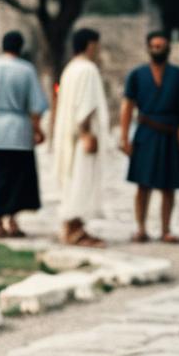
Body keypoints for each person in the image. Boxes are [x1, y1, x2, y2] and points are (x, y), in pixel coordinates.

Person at [119, 31, 179, 244]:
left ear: (168, 48)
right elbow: (128, 106)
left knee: (168, 185)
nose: (157, 49)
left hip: (170, 133)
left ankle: (166, 229)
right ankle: (141, 228)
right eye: (154, 46)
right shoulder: (137, 75)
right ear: (148, 48)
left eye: (161, 46)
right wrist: (124, 136)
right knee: (143, 184)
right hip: (146, 132)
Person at [0, 30, 48, 237]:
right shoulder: (27, 70)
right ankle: (13, 221)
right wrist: (38, 129)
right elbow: (36, 106)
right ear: (21, 47)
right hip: (20, 130)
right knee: (18, 178)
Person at [52, 28, 109, 247]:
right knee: (81, 178)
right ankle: (74, 227)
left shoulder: (70, 69)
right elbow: (86, 105)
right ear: (91, 45)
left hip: (68, 134)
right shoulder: (87, 69)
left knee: (72, 177)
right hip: (81, 136)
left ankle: (72, 225)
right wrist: (86, 133)